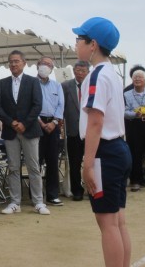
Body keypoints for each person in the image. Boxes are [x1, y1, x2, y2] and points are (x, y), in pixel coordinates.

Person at [74, 17, 131, 267]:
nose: (76, 44)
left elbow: (95, 122)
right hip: (118, 148)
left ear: (93, 44)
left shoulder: (97, 75)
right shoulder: (112, 73)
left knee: (107, 222)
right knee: (117, 221)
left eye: (80, 39)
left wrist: (87, 164)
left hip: (104, 152)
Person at [0, 50, 48, 215]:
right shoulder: (2, 83)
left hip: (30, 130)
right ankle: (14, 202)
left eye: (16, 61)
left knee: (33, 167)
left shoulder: (33, 82)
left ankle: (38, 202)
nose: (13, 64)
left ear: (24, 63)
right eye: (11, 61)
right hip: (10, 131)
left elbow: (37, 105)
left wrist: (25, 123)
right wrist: (11, 122)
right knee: (13, 167)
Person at [36, 56, 65, 207]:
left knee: (53, 161)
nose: (45, 66)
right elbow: (29, 105)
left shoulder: (57, 85)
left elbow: (61, 105)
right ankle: (36, 195)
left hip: (54, 125)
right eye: (43, 63)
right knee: (36, 161)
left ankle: (52, 195)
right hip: (36, 125)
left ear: (52, 69)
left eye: (49, 65)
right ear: (37, 65)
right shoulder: (31, 83)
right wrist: (40, 123)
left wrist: (54, 122)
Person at [61, 60, 90, 201]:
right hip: (73, 130)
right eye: (77, 70)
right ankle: (77, 190)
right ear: (73, 71)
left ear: (88, 72)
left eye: (83, 71)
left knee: (92, 162)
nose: (80, 73)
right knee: (75, 162)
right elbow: (61, 107)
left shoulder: (93, 85)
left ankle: (93, 189)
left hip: (91, 130)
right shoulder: (65, 86)